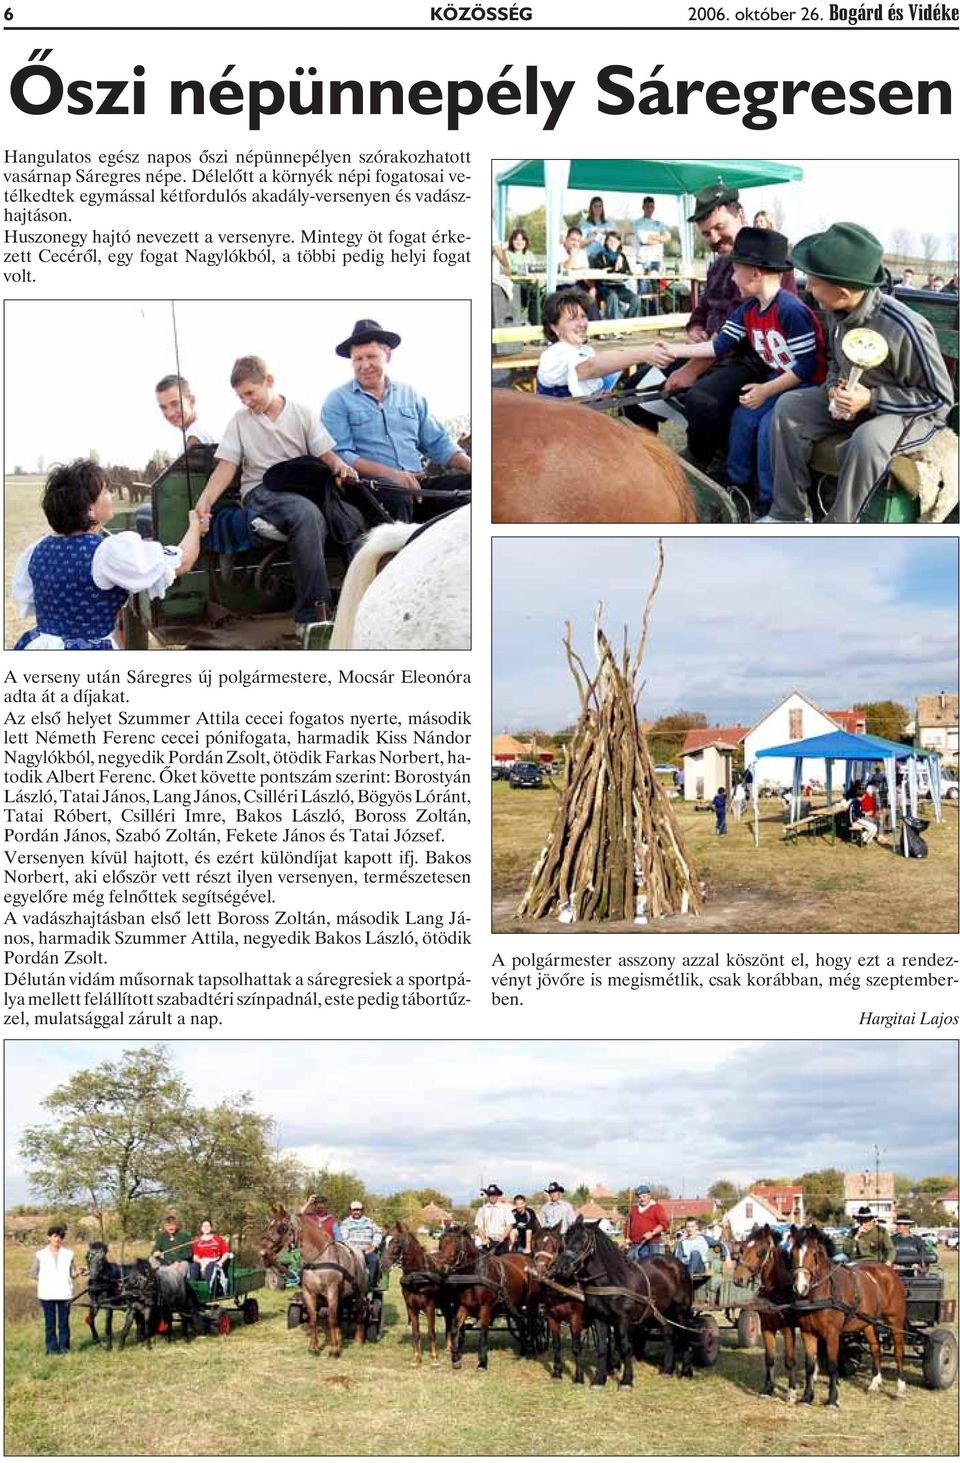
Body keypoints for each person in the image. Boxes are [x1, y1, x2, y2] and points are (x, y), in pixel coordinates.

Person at [766, 223, 954, 523]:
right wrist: (833, 389)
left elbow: (939, 401)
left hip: (910, 415)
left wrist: (871, 400)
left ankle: (840, 528)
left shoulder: (906, 328)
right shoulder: (837, 311)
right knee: (789, 407)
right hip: (856, 404)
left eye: (813, 282)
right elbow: (834, 360)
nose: (808, 289)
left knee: (868, 439)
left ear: (842, 292)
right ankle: (788, 514)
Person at [631, 183, 798, 469]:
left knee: (702, 400)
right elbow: (703, 308)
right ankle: (653, 458)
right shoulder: (719, 264)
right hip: (707, 349)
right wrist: (694, 328)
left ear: (740, 216)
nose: (715, 238)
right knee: (635, 391)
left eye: (720, 228)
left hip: (749, 359)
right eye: (707, 234)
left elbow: (745, 330)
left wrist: (691, 369)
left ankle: (704, 460)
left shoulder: (770, 262)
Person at [195, 355, 357, 636]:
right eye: (240, 396)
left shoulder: (302, 413)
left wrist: (341, 466)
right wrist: (206, 499)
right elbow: (227, 465)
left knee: (351, 518)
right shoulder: (240, 421)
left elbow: (325, 454)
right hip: (261, 490)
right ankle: (313, 615)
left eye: (249, 393)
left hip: (299, 487)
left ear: (269, 382)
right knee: (306, 515)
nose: (246, 401)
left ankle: (359, 603)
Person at [666, 228, 825, 513]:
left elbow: (807, 366)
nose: (731, 277)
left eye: (735, 270)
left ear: (755, 274)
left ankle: (767, 499)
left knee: (768, 429)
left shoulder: (791, 310)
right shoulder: (749, 309)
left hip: (803, 386)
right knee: (743, 419)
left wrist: (765, 390)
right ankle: (736, 484)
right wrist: (675, 351)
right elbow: (718, 347)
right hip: (777, 381)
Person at [13, 459, 200, 650]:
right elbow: (182, 561)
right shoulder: (106, 553)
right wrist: (195, 525)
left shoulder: (35, 550)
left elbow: (33, 600)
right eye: (105, 491)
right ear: (89, 507)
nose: (110, 495)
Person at [321, 319, 471, 526]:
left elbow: (437, 441)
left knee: (478, 487)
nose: (365, 365)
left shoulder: (410, 395)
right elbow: (342, 454)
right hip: (371, 489)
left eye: (371, 357)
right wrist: (394, 476)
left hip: (417, 484)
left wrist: (470, 465)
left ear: (387, 355)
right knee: (397, 498)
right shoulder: (337, 400)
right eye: (358, 359)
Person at [535, 289, 672, 400]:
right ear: (554, 327)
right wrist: (642, 354)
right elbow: (589, 368)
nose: (582, 324)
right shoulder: (553, 356)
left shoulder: (586, 351)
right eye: (572, 319)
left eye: (583, 317)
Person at [29, 1225, 75, 1356]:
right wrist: (45, 1279)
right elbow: (33, 1273)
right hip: (46, 1293)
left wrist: (78, 1272)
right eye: (55, 1236)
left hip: (64, 1293)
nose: (58, 1239)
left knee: (64, 1323)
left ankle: (64, 1349)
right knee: (50, 1324)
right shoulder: (40, 1255)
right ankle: (51, 1349)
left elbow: (72, 1272)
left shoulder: (69, 1254)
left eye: (60, 1236)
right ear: (49, 1237)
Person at [155, 374, 216, 447]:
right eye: (163, 407)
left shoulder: (195, 436)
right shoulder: (198, 431)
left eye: (175, 404)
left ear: (192, 400)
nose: (170, 413)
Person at [592, 231, 641, 320]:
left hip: (619, 286)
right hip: (604, 287)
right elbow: (599, 272)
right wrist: (614, 269)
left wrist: (621, 268)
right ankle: (613, 325)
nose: (613, 243)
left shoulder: (622, 256)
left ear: (619, 243)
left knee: (636, 299)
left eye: (615, 241)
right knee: (613, 296)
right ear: (606, 242)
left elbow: (627, 273)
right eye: (610, 240)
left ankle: (629, 323)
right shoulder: (601, 255)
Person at [340, 1199, 383, 1288]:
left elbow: (378, 1233)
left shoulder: (369, 1222)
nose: (356, 1212)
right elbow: (344, 1239)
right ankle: (349, 1284)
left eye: (358, 1210)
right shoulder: (345, 1223)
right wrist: (354, 1250)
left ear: (362, 1210)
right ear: (351, 1211)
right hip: (352, 1252)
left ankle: (370, 1284)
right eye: (354, 1210)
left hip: (367, 1250)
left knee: (374, 1260)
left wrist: (374, 1246)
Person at [626, 1185, 670, 1260]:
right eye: (639, 1197)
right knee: (630, 1263)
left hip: (651, 1243)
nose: (642, 1199)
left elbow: (664, 1224)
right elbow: (628, 1224)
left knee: (648, 1266)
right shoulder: (634, 1209)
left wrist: (652, 1233)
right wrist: (626, 1238)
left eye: (644, 1196)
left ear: (649, 1196)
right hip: (634, 1243)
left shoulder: (657, 1208)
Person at [189, 1219, 231, 1287]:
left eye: (208, 1226)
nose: (206, 1228)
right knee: (193, 1266)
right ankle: (193, 1287)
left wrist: (221, 1262)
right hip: (202, 1262)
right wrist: (201, 1261)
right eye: (204, 1226)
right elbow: (195, 1257)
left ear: (211, 1228)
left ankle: (208, 1288)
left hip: (214, 1261)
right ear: (201, 1228)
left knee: (210, 1266)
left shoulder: (218, 1239)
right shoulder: (197, 1241)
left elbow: (226, 1253)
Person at [474, 1184, 515, 1252]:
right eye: (490, 1195)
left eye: (494, 1195)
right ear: (488, 1196)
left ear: (497, 1196)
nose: (492, 1197)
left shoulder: (505, 1208)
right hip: (488, 1242)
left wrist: (503, 1237)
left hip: (501, 1241)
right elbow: (480, 1227)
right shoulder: (482, 1209)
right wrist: (483, 1239)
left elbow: (510, 1225)